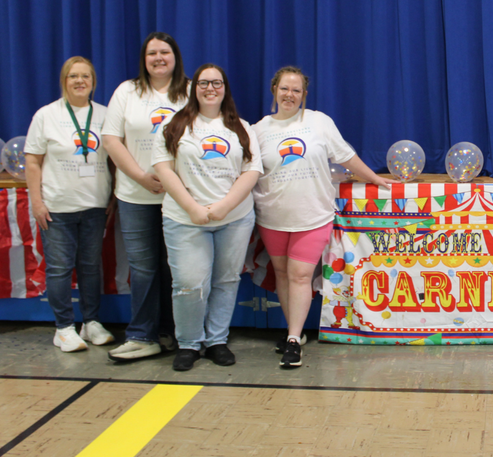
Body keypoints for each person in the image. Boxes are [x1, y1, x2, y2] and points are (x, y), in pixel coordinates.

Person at [253, 67, 394, 367]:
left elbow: (346, 156)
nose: (289, 95)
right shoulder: (258, 130)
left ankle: (292, 340)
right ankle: (298, 332)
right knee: (282, 275)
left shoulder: (319, 122)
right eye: (284, 89)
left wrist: (374, 178)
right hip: (272, 217)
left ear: (304, 95)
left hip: (314, 216)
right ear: (274, 90)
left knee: (301, 276)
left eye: (296, 90)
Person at [152, 64, 262, 371]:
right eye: (203, 83)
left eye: (217, 83)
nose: (210, 88)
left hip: (234, 219)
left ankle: (216, 340)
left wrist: (225, 207)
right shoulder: (175, 125)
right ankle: (188, 343)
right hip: (185, 219)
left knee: (225, 280)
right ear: (193, 88)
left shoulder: (241, 127)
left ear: (225, 88)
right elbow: (163, 169)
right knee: (188, 284)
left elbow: (251, 171)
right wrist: (193, 208)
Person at [102, 32, 189, 362]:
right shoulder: (127, 91)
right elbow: (111, 140)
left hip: (178, 196)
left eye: (165, 52)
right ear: (144, 59)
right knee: (142, 268)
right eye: (152, 53)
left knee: (175, 268)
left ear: (175, 56)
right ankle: (141, 335)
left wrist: (171, 181)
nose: (158, 58)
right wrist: (140, 176)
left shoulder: (191, 91)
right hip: (135, 195)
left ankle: (169, 332)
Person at [24, 57, 116, 352]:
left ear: (93, 81)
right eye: (73, 76)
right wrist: (36, 202)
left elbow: (114, 159)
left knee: (90, 267)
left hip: (94, 206)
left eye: (85, 76)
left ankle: (91, 323)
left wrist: (112, 196)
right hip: (57, 207)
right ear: (64, 80)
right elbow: (33, 161)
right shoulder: (46, 115)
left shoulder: (105, 115)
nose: (79, 81)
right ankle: (63, 327)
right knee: (60, 268)